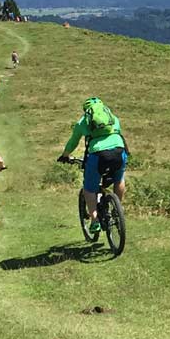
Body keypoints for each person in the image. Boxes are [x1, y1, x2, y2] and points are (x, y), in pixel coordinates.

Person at [56, 97, 128, 235]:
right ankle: (118, 210)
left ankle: (95, 221)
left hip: (97, 155)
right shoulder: (113, 118)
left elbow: (73, 142)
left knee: (89, 189)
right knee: (119, 179)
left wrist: (65, 155)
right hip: (120, 151)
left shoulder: (83, 122)